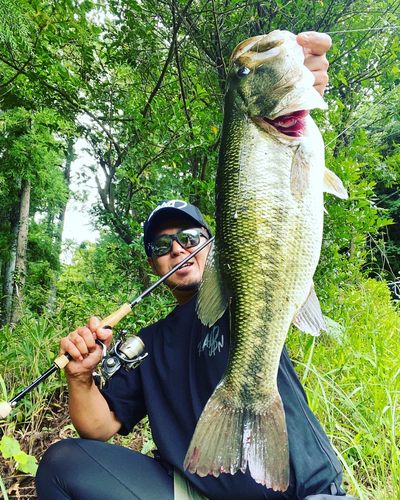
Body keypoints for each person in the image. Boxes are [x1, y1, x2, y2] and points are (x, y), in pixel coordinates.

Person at [36, 32, 356, 500]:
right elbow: (99, 427)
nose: (177, 249)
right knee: (63, 463)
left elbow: (273, 221)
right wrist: (81, 377)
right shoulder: (149, 343)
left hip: (307, 493)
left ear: (215, 245)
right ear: (151, 263)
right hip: (192, 494)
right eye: (162, 244)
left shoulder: (240, 299)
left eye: (189, 237)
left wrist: (301, 81)